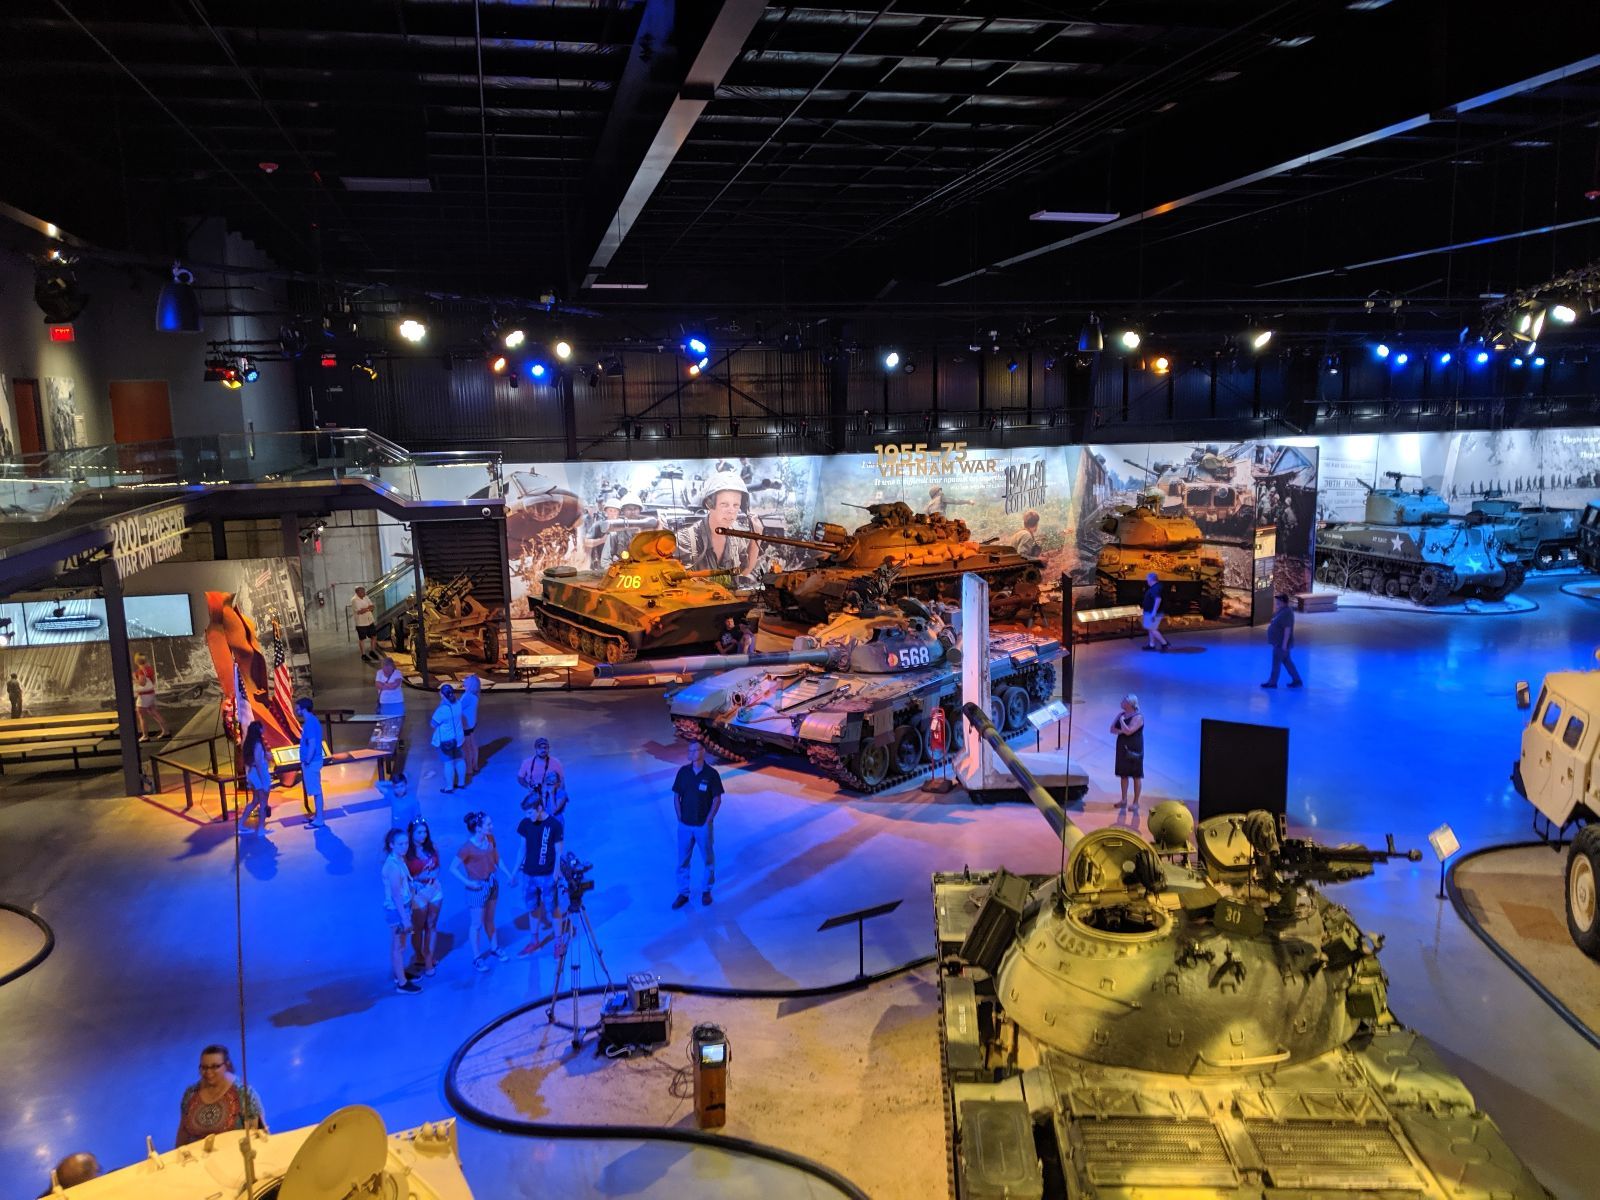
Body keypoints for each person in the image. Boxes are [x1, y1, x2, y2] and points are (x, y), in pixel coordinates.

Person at [451, 811, 515, 969]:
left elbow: (497, 859)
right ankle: (477, 957)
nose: (491, 826)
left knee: (490, 920)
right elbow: (453, 868)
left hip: (492, 884)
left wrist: (508, 875)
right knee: (476, 924)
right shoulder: (467, 848)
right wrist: (468, 883)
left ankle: (495, 947)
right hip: (477, 888)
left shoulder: (490, 839)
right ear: (478, 828)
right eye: (488, 824)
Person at [175, 1044, 266, 1147]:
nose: (208, 1072)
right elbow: (183, 1131)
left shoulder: (245, 1094)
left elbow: (257, 1135)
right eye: (204, 1067)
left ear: (227, 1065)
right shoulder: (190, 1093)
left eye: (215, 1067)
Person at [676, 470, 760, 579]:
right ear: (709, 504)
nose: (731, 511)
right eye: (724, 504)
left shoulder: (736, 537)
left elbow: (743, 572)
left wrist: (756, 537)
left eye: (736, 505)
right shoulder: (685, 540)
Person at [671, 740, 724, 909]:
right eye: (689, 750)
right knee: (682, 860)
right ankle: (683, 893)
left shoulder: (711, 774)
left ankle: (706, 890)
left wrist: (708, 820)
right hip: (685, 826)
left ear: (702, 751)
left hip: (702, 826)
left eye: (694, 750)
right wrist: (679, 816)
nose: (691, 753)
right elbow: (676, 796)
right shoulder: (683, 772)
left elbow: (717, 799)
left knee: (708, 859)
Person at [516, 792, 565, 949]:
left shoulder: (554, 825)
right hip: (528, 874)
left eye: (530, 812)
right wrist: (514, 872)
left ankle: (558, 943)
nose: (527, 816)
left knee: (553, 908)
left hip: (547, 875)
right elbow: (522, 849)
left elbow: (558, 851)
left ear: (539, 808)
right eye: (526, 813)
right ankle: (534, 940)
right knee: (533, 908)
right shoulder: (525, 824)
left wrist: (556, 871)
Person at [381, 828, 422, 993]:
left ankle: (400, 974)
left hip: (403, 908)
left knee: (400, 945)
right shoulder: (393, 867)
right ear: (391, 845)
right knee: (399, 946)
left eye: (406, 843)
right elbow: (396, 895)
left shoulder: (399, 860)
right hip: (398, 911)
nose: (404, 847)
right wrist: (405, 918)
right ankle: (402, 983)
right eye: (400, 844)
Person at [405, 816, 442, 977]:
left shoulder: (432, 847)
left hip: (434, 889)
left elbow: (438, 866)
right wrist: (417, 878)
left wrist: (433, 874)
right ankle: (419, 955)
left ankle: (428, 959)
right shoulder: (406, 853)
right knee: (418, 928)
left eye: (425, 832)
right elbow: (403, 877)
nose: (423, 835)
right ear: (411, 834)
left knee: (431, 925)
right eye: (419, 832)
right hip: (417, 894)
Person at [294, 697, 326, 827]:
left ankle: (320, 819)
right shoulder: (312, 721)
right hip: (313, 761)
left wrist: (307, 760)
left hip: (311, 762)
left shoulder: (310, 724)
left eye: (297, 708)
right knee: (315, 789)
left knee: (316, 791)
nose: (296, 711)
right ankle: (317, 815)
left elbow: (312, 744)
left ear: (303, 709)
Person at [1262, 593, 1304, 689]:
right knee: (1287, 662)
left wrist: (1284, 644)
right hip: (1279, 642)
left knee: (1276, 663)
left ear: (1284, 602)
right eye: (1276, 601)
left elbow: (1287, 629)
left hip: (1280, 643)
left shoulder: (1287, 613)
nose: (1276, 603)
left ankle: (1272, 683)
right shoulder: (1281, 611)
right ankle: (1297, 680)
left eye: (1278, 601)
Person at [1110, 695, 1145, 808]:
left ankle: (1136, 802)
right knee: (1123, 775)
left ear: (1130, 704)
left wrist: (1122, 721)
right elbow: (1112, 729)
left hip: (1134, 748)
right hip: (1122, 747)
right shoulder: (1121, 714)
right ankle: (1124, 800)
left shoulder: (1138, 717)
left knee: (1136, 775)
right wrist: (1122, 730)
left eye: (1124, 701)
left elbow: (1129, 731)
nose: (1121, 702)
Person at [239, 721, 273, 836]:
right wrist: (264, 782)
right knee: (263, 803)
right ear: (259, 730)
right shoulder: (258, 744)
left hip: (253, 774)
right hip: (259, 775)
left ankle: (240, 824)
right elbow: (258, 763)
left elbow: (255, 759)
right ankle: (261, 829)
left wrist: (266, 756)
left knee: (255, 801)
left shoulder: (249, 742)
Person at [431, 683, 466, 793]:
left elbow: (433, 724)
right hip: (459, 738)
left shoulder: (442, 710)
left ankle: (449, 787)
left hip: (446, 741)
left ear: (442, 694)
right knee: (460, 759)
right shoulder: (458, 704)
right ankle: (461, 783)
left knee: (448, 762)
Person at [133, 652, 169, 740]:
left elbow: (142, 683)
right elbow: (152, 681)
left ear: (136, 661)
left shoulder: (140, 671)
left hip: (143, 696)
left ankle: (145, 736)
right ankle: (166, 731)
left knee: (141, 716)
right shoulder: (149, 669)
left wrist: (134, 678)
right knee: (154, 713)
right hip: (150, 694)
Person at [583, 499, 621, 570]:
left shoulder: (624, 525)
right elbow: (586, 542)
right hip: (602, 566)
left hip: (621, 564)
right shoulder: (598, 525)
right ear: (606, 512)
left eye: (615, 511)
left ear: (619, 513)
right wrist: (602, 540)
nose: (612, 514)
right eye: (610, 511)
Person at [458, 675, 482, 781]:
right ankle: (475, 765)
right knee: (473, 745)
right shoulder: (475, 695)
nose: (464, 684)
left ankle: (469, 769)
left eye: (466, 682)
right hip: (472, 723)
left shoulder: (467, 696)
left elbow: (458, 707)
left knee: (467, 748)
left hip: (466, 725)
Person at [1140, 572, 1169, 652]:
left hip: (1153, 612)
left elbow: (1158, 599)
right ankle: (1151, 644)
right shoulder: (1157, 587)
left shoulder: (1155, 588)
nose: (1147, 581)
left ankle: (1164, 643)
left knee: (1152, 628)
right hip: (1151, 611)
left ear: (1151, 579)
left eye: (1147, 579)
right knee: (1151, 628)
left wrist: (1154, 612)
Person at [351, 586, 378, 663]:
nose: (364, 593)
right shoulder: (354, 600)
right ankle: (363, 655)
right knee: (362, 639)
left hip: (370, 620)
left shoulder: (366, 597)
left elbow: (372, 607)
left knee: (374, 636)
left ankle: (372, 651)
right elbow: (360, 611)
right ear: (357, 592)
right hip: (361, 623)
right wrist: (368, 608)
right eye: (362, 591)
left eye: (364, 591)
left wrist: (366, 609)